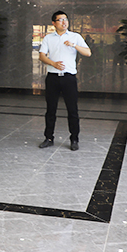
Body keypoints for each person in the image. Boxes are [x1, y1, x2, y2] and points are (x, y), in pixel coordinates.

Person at [38, 11, 91, 151]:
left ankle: (74, 139)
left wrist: (74, 45)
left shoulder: (75, 36)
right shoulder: (48, 38)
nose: (64, 22)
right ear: (54, 23)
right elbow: (42, 56)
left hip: (69, 78)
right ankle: (49, 138)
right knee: (51, 110)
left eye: (65, 19)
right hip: (53, 77)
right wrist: (53, 64)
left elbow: (88, 52)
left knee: (72, 110)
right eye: (60, 20)